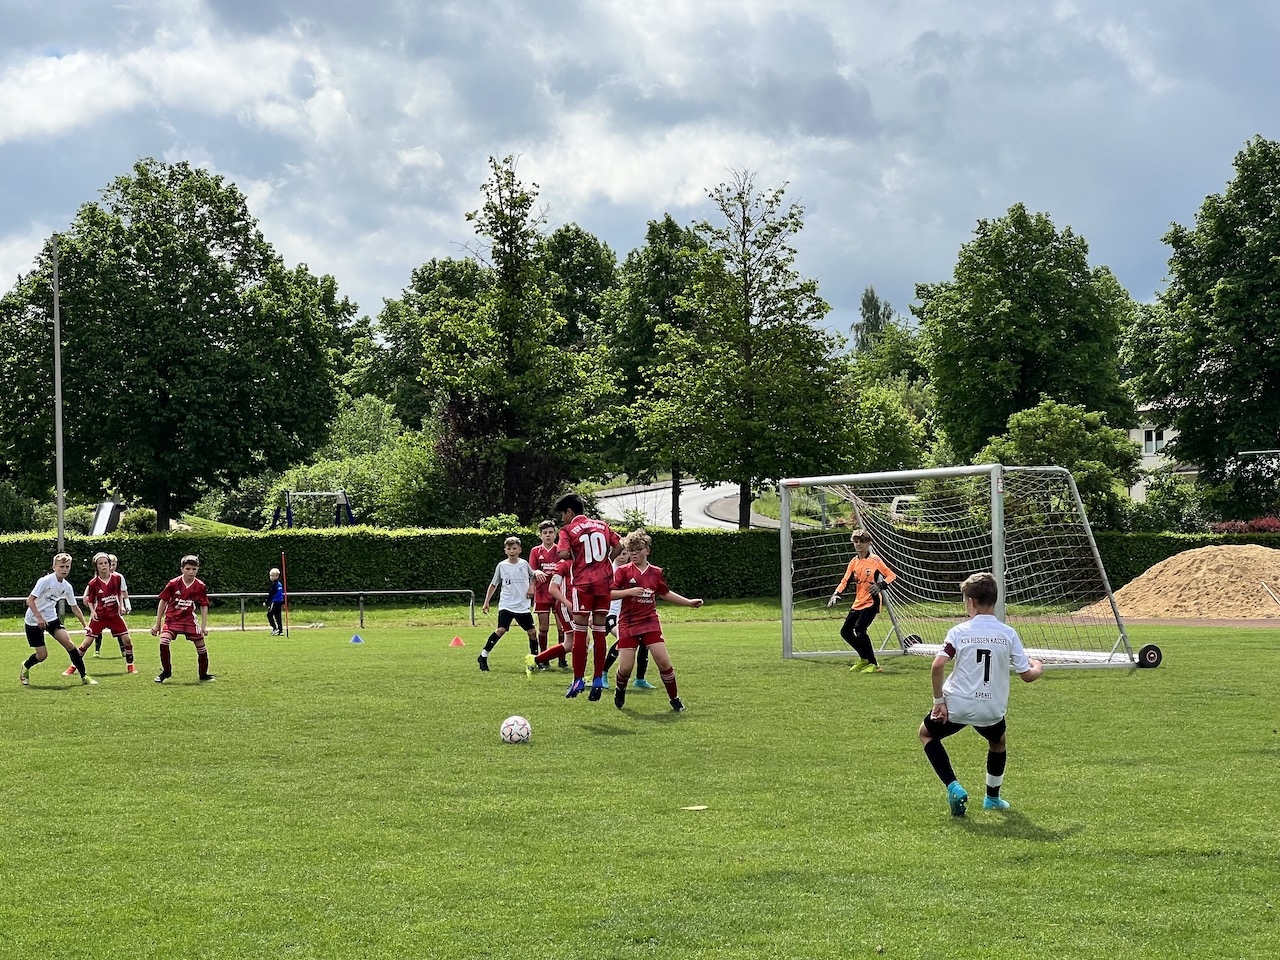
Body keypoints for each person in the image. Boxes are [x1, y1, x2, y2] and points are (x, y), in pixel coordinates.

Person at [918, 572, 1044, 817]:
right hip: (991, 709)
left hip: (957, 705)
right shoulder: (1008, 633)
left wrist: (938, 701)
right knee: (998, 743)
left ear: (971, 602)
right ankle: (992, 798)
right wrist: (1038, 666)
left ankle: (953, 786)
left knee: (926, 734)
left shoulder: (959, 631)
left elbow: (937, 665)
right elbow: (1027, 675)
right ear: (994, 600)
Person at [609, 529, 702, 713]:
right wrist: (629, 592)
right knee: (626, 668)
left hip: (649, 621)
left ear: (647, 551)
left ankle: (675, 699)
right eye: (631, 550)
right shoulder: (623, 572)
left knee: (663, 661)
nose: (633, 553)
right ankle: (620, 689)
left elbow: (664, 593)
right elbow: (609, 594)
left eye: (638, 549)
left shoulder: (656, 572)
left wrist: (689, 602)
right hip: (628, 622)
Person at [552, 492, 622, 701]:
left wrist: (577, 555)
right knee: (600, 631)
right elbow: (619, 545)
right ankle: (598, 678)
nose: (562, 519)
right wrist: (606, 561)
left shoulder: (567, 530)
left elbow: (562, 553)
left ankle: (578, 679)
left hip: (583, 584)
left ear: (569, 511)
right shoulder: (602, 525)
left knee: (580, 631)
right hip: (604, 583)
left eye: (562, 515)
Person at [20, 553, 97, 686]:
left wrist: (85, 625)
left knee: (69, 644)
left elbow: (74, 607)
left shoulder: (67, 586)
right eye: (61, 566)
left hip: (52, 619)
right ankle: (26, 666)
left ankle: (84, 676)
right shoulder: (45, 581)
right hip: (33, 620)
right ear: (54, 567)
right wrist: (39, 618)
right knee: (42, 655)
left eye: (67, 566)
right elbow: (30, 600)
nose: (64, 569)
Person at [827, 529, 896, 673]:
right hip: (858, 601)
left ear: (868, 543)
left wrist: (880, 585)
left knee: (859, 629)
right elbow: (845, 580)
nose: (858, 544)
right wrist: (836, 594)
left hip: (872, 601)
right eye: (856, 541)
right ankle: (864, 658)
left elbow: (891, 575)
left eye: (862, 541)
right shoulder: (853, 562)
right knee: (845, 631)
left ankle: (874, 664)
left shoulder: (875, 560)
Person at [66, 552, 136, 674]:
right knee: (87, 643)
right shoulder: (93, 583)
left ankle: (130, 665)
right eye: (100, 563)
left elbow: (120, 593)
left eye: (105, 563)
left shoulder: (117, 578)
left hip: (114, 615)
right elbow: (90, 600)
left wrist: (122, 606)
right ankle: (73, 666)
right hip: (100, 616)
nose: (104, 565)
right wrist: (93, 612)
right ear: (96, 567)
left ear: (109, 565)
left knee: (127, 639)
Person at [478, 536, 538, 672]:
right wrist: (486, 602)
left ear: (519, 550)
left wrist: (531, 587)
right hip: (507, 604)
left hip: (522, 605)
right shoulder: (502, 566)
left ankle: (535, 659)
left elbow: (533, 576)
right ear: (505, 550)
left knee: (532, 632)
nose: (512, 551)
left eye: (514, 548)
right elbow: (494, 584)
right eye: (509, 548)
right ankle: (483, 655)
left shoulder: (524, 564)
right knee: (501, 630)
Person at [151, 554, 214, 683]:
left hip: (189, 620)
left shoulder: (200, 585)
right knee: (163, 642)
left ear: (197, 570)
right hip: (172, 619)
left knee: (201, 647)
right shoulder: (173, 583)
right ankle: (166, 671)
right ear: (182, 569)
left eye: (194, 569)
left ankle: (203, 674)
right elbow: (163, 602)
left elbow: (204, 605)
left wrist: (203, 627)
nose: (191, 572)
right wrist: (157, 624)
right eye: (188, 569)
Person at [602, 545, 654, 690]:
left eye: (625, 553)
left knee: (644, 641)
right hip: (611, 614)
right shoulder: (609, 570)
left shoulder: (633, 570)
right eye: (619, 553)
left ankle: (640, 679)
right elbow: (604, 594)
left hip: (629, 615)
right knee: (623, 639)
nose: (622, 556)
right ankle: (603, 672)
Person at [527, 521, 567, 669]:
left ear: (555, 534)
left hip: (558, 593)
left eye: (550, 532)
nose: (548, 535)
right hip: (542, 593)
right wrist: (535, 574)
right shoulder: (535, 551)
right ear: (540, 536)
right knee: (543, 627)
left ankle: (562, 659)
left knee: (562, 628)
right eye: (545, 533)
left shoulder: (560, 551)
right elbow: (531, 570)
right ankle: (544, 659)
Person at [266, 567, 285, 636]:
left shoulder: (274, 585)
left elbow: (271, 594)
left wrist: (266, 602)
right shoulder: (280, 584)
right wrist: (283, 602)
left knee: (269, 614)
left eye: (273, 576)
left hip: (275, 602)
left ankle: (275, 628)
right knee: (278, 616)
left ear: (277, 576)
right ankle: (280, 630)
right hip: (279, 602)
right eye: (271, 576)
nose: (271, 577)